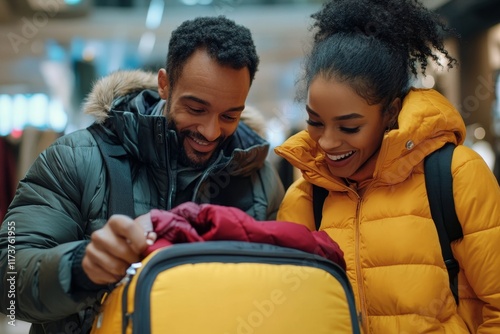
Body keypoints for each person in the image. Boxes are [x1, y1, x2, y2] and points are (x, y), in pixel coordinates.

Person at [0, 16, 284, 333]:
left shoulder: (260, 181)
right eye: (196, 109)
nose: (211, 130)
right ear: (164, 85)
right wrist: (80, 267)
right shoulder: (75, 160)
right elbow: (8, 284)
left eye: (230, 115)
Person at [275, 0, 500, 333]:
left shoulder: (456, 175)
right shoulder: (305, 197)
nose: (326, 142)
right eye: (315, 122)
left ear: (391, 112)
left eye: (349, 127)